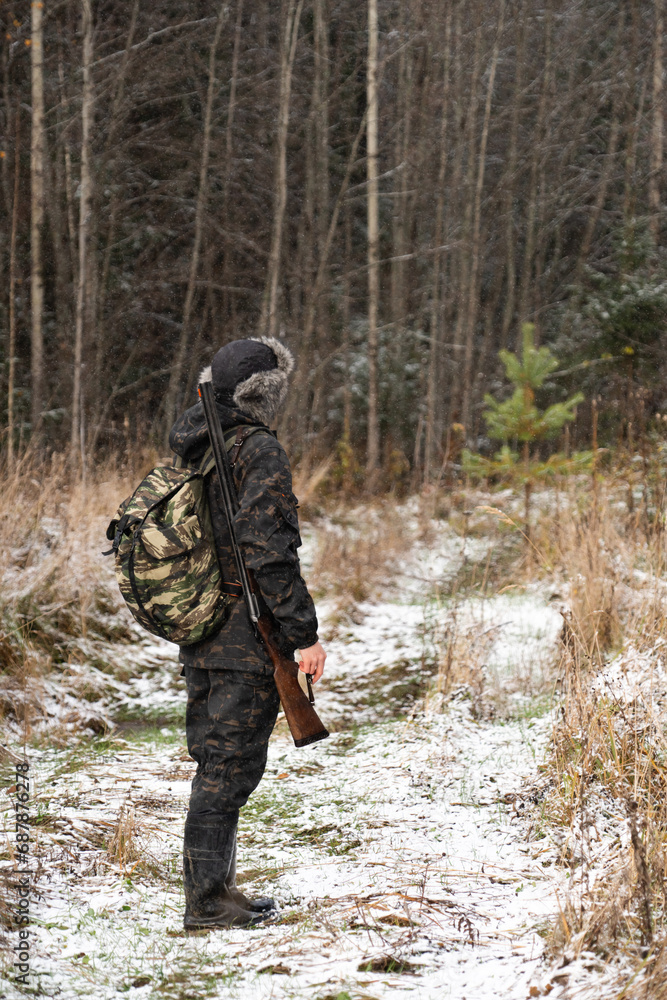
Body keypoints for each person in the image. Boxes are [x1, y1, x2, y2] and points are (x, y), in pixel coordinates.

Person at [168, 337, 327, 929]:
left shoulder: (199, 448)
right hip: (244, 634)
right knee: (228, 768)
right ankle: (208, 903)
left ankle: (217, 891)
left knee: (216, 761)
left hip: (203, 625)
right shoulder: (255, 448)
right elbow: (268, 547)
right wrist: (302, 634)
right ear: (267, 392)